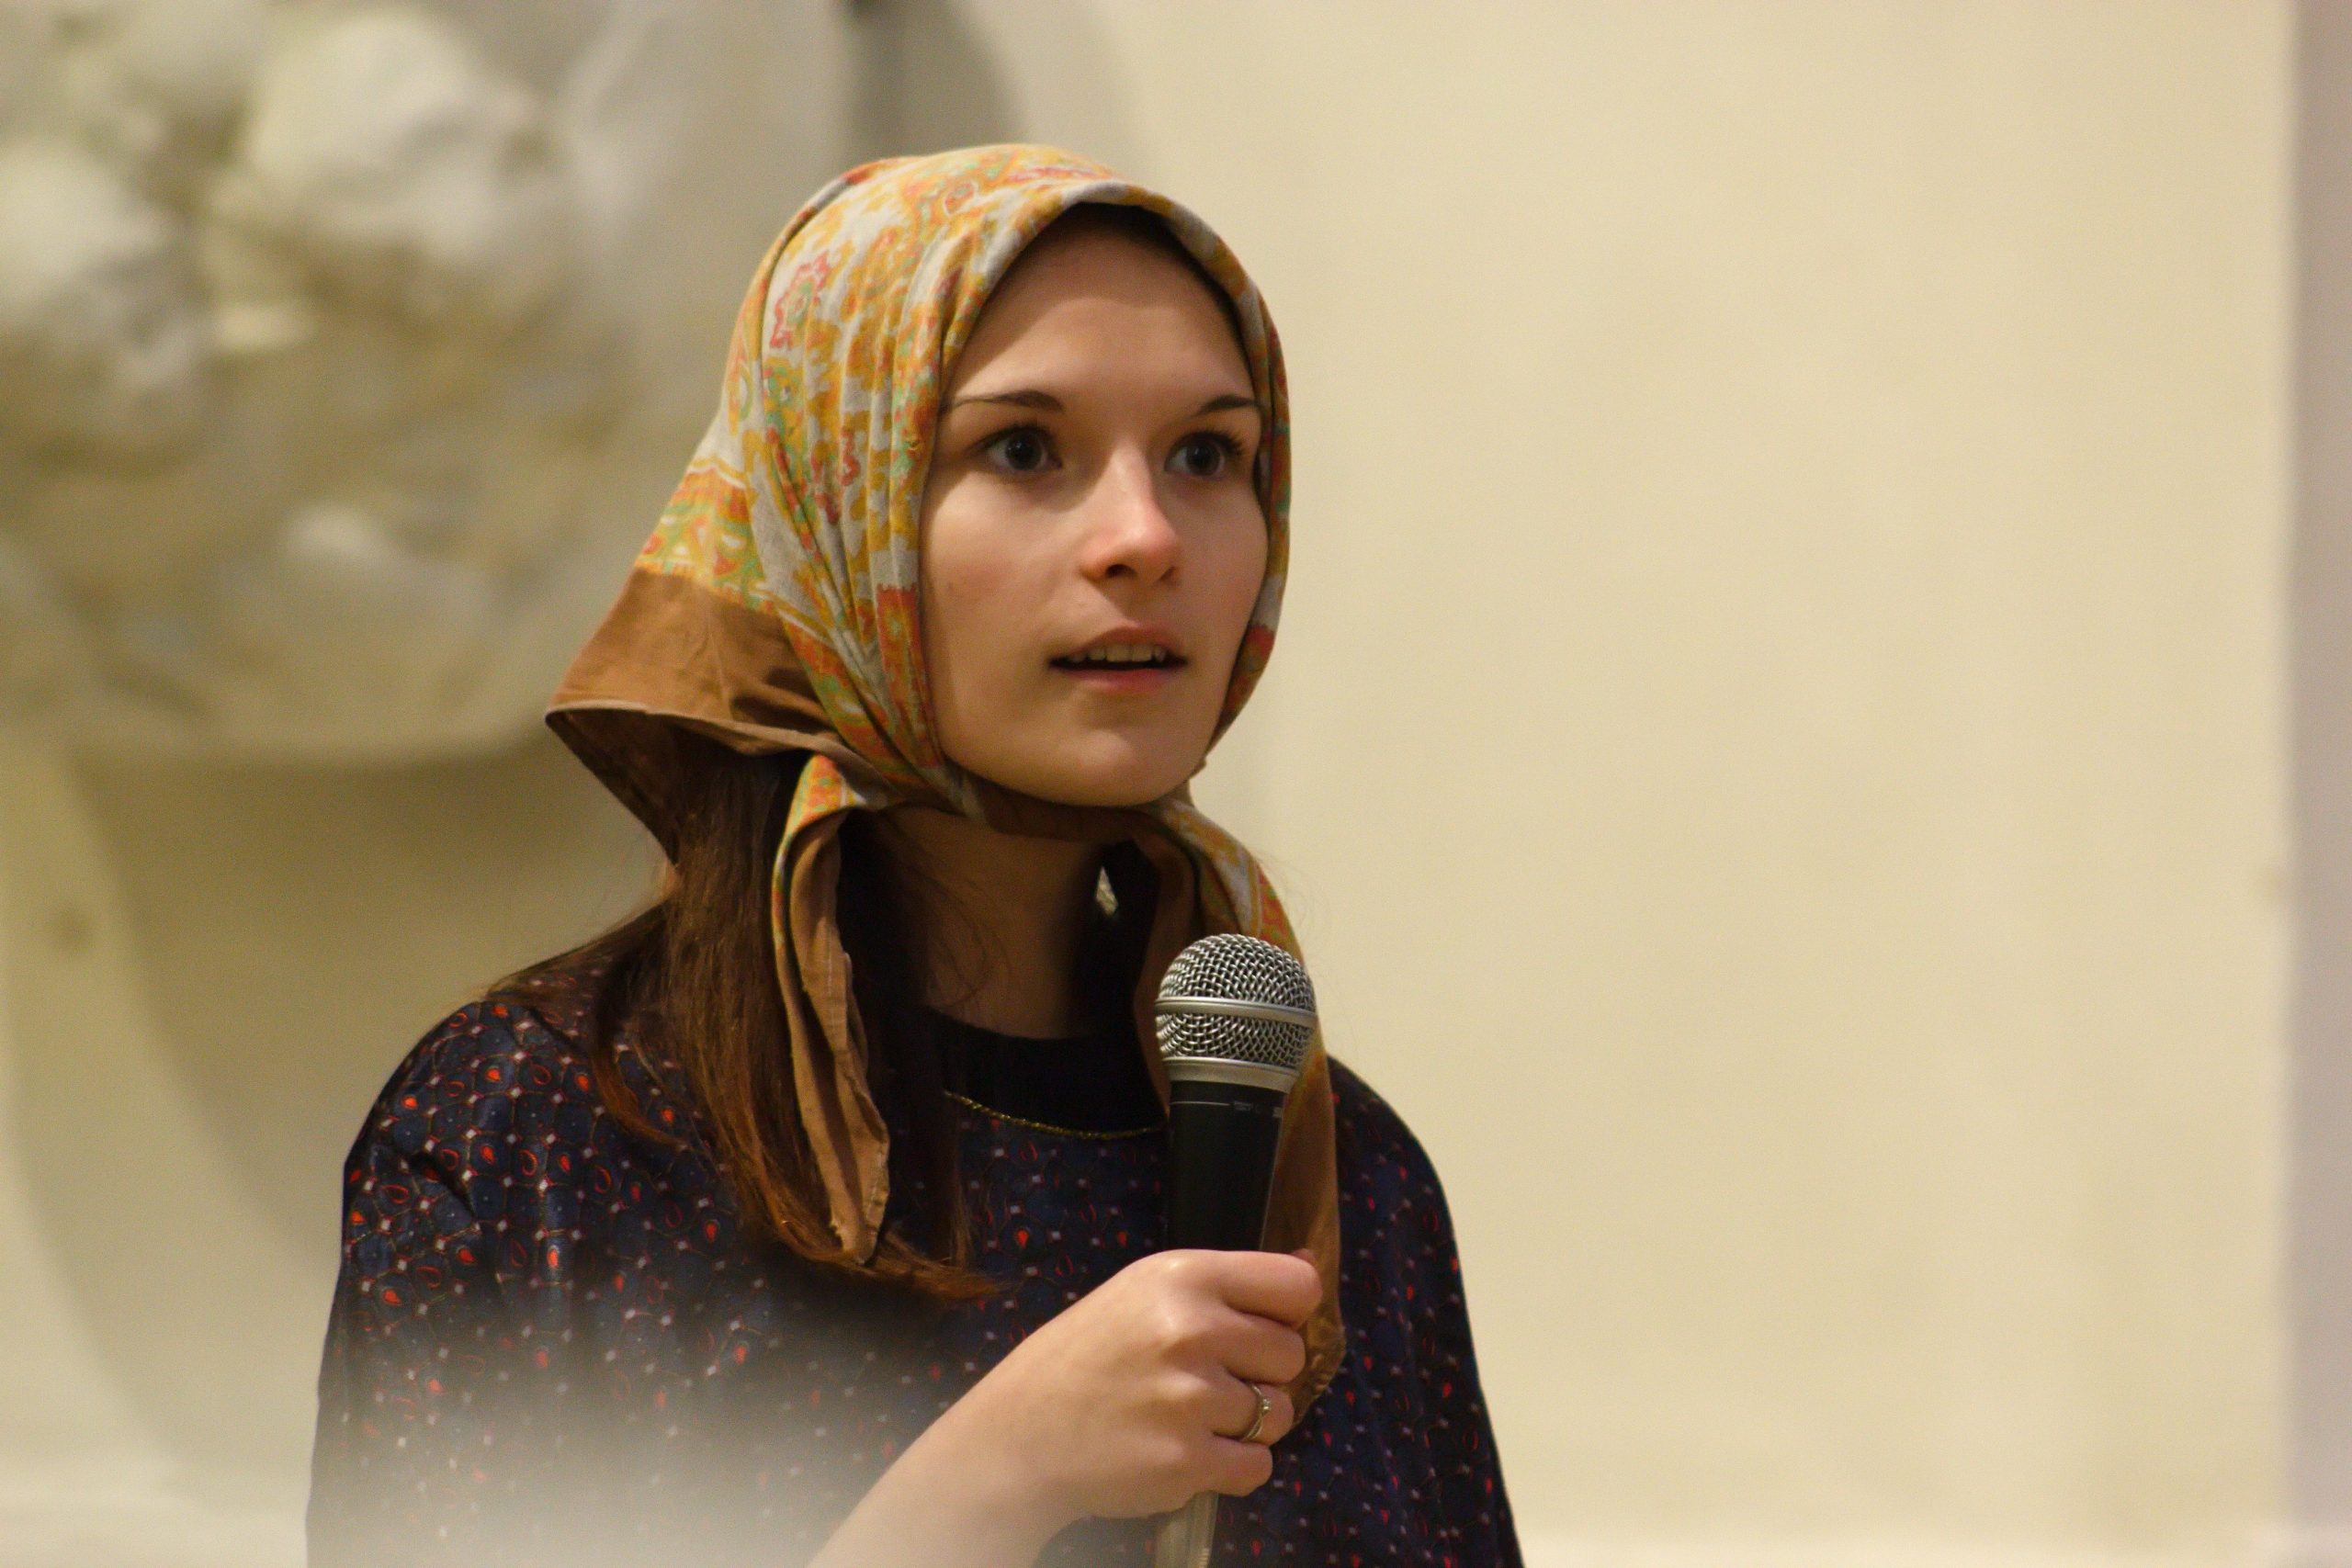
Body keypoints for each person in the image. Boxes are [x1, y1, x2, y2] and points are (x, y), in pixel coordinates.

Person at [307, 144, 1521, 1568]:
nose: (1146, 538)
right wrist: (991, 1485)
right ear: (831, 505)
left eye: (1208, 455)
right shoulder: (535, 1133)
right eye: (1023, 450)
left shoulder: (1338, 1177)